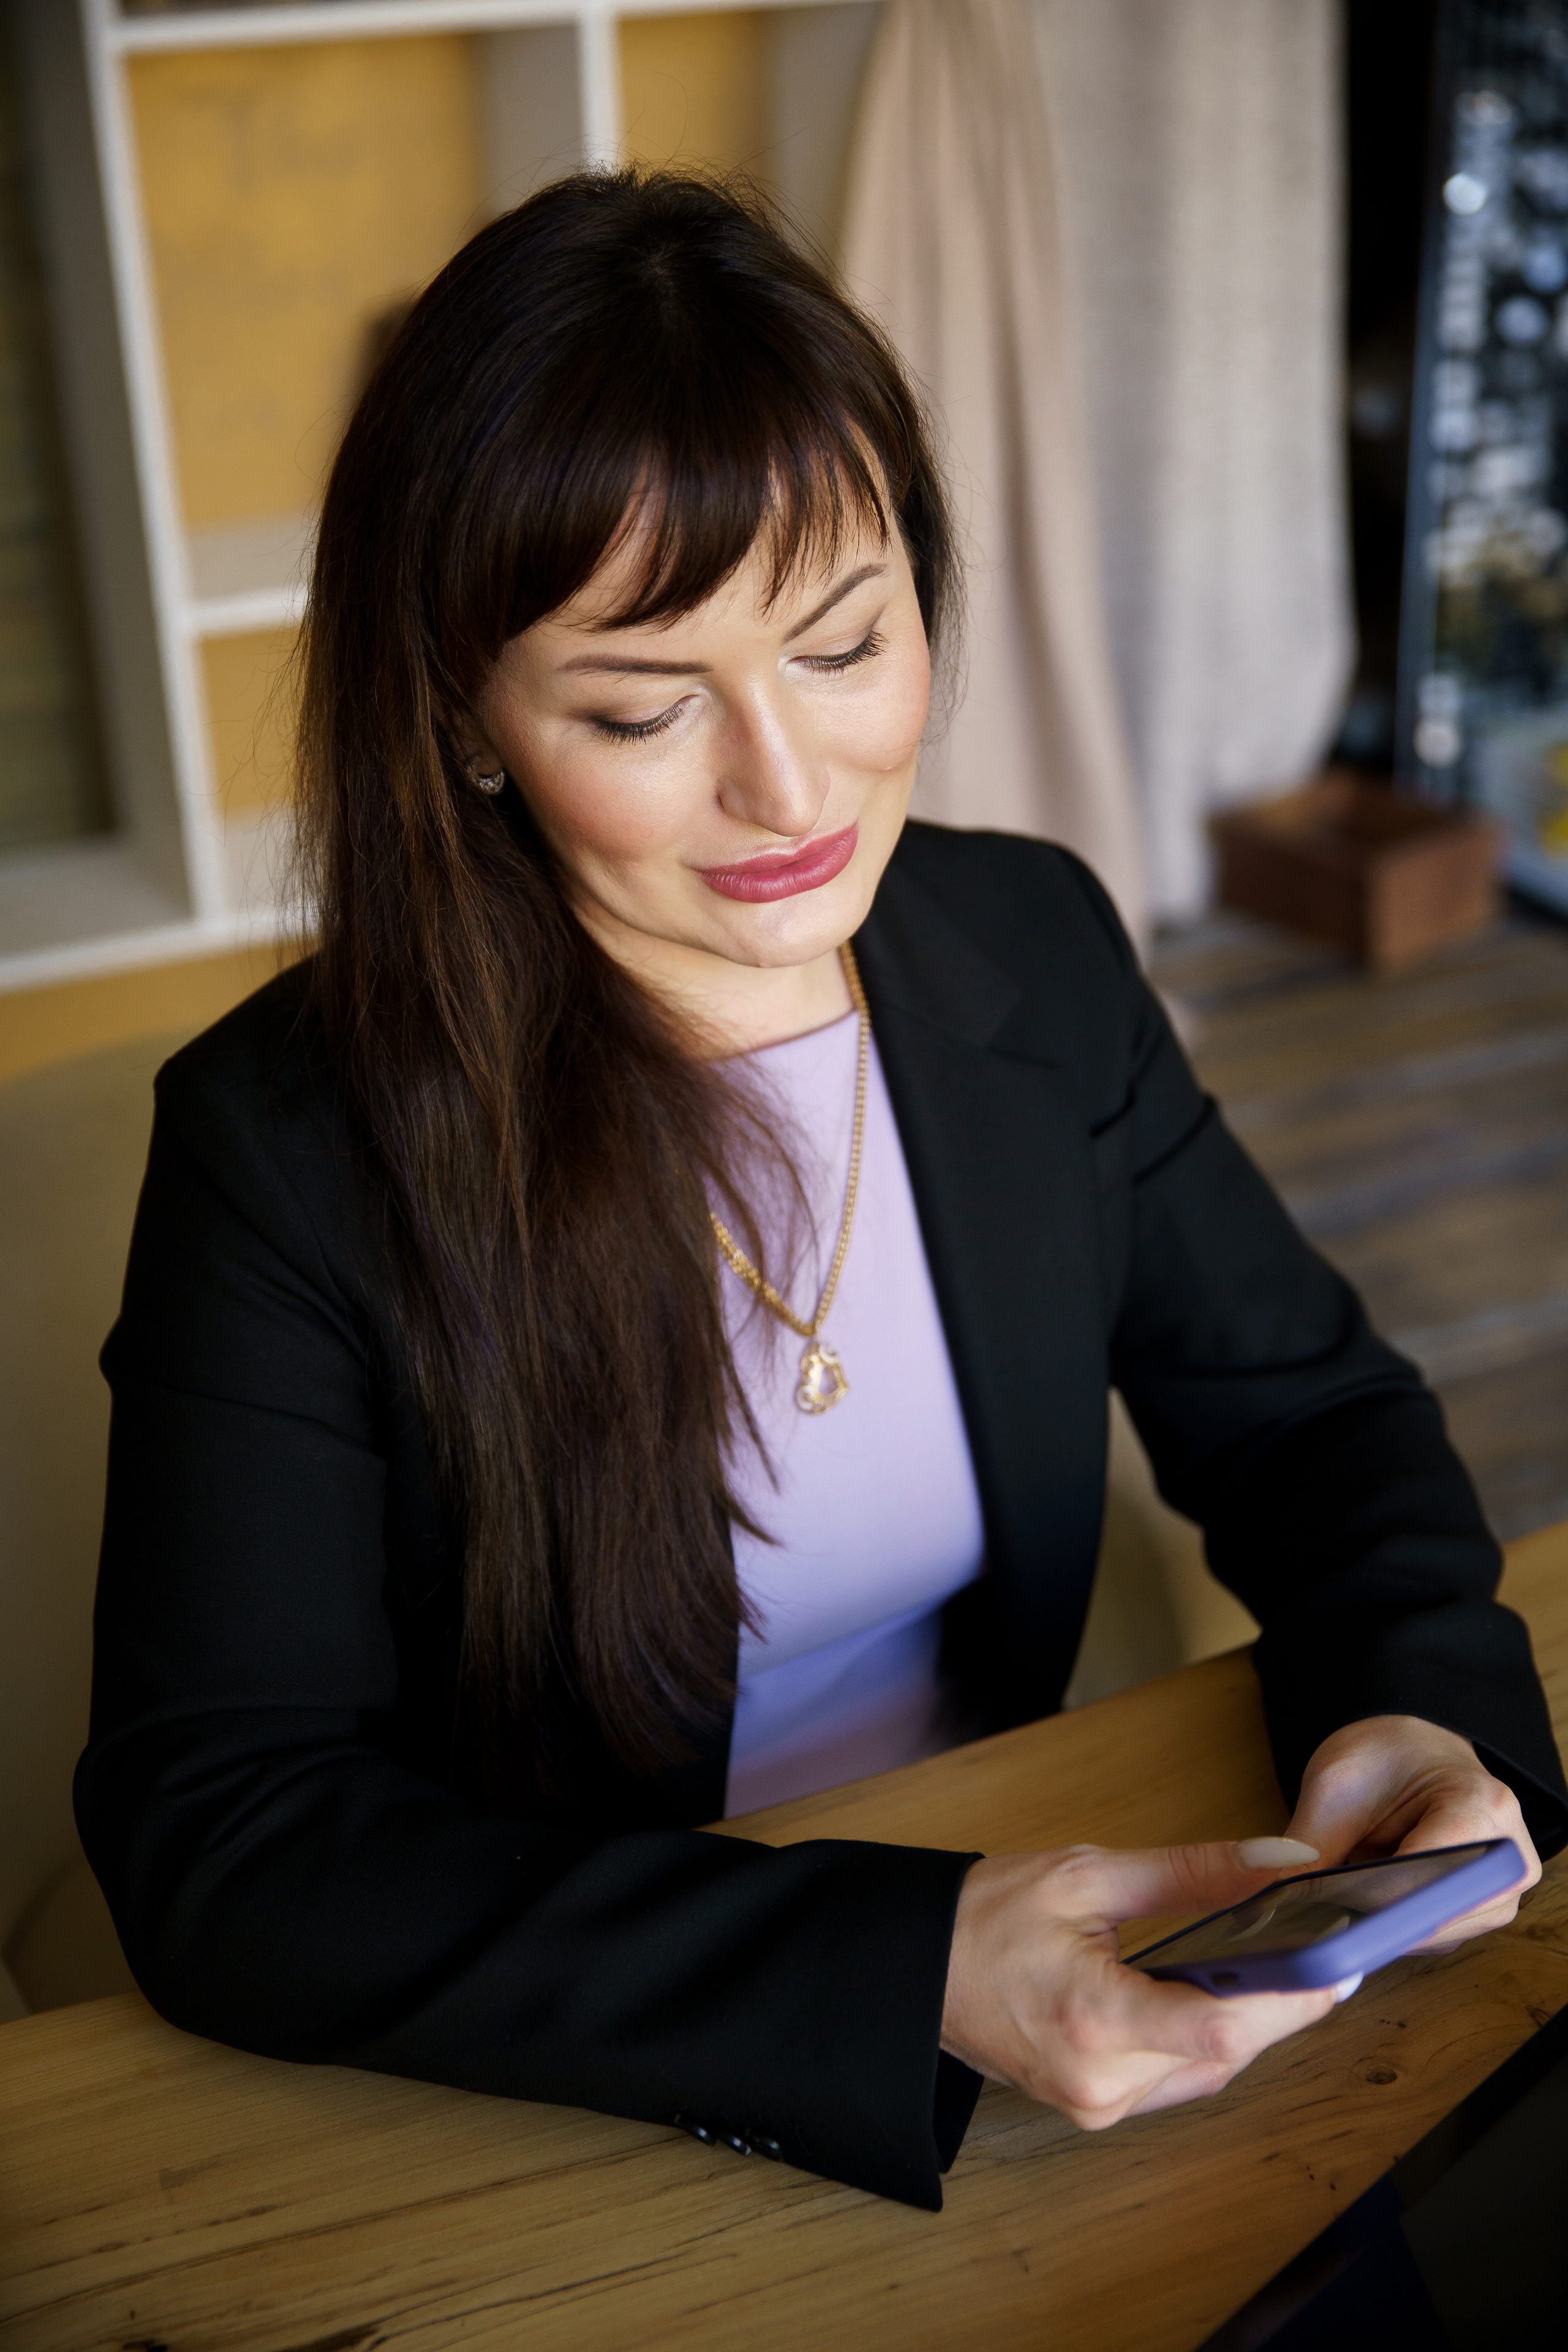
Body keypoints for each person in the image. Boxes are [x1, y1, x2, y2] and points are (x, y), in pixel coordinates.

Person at [80, 169, 1565, 2212]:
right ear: (467, 719)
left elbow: (1307, 1411)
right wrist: (899, 1968)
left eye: (846, 639)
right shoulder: (288, 1150)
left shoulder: (1026, 948)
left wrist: (1418, 1712)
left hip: (1051, 1944)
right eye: (642, 705)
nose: (792, 788)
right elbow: (226, 1835)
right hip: (576, 2077)